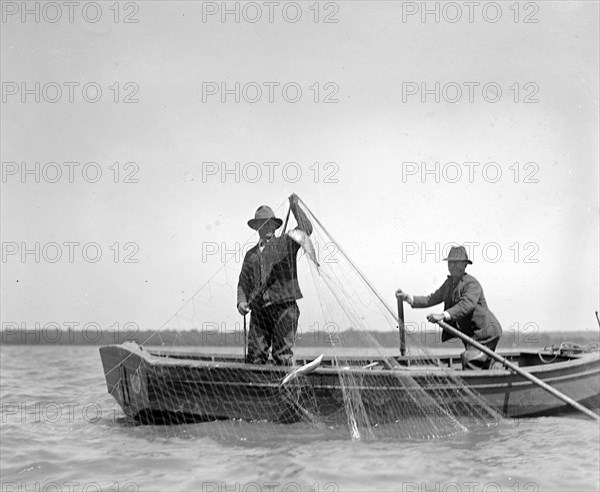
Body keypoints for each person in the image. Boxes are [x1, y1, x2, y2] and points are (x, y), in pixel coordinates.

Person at [396, 245, 502, 370]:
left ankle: (492, 370)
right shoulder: (449, 284)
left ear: (465, 265)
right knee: (477, 361)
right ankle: (494, 368)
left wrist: (442, 315)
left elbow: (466, 305)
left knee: (469, 359)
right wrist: (408, 298)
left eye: (457, 263)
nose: (453, 266)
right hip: (471, 334)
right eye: (451, 263)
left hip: (486, 332)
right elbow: (431, 298)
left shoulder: (472, 284)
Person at [237, 193, 313, 365]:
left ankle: (285, 391)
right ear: (257, 228)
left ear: (275, 225)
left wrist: (294, 206)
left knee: (283, 356)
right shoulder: (250, 255)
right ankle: (255, 391)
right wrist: (241, 302)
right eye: (262, 224)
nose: (267, 227)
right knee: (255, 358)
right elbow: (243, 283)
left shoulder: (287, 242)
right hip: (259, 312)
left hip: (284, 309)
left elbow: (306, 229)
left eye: (270, 223)